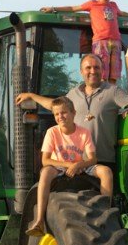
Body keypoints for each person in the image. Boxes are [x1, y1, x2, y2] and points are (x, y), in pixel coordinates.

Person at [16, 54, 128, 170]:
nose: (93, 71)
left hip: (102, 161)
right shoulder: (73, 93)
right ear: (81, 72)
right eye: (88, 68)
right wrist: (32, 96)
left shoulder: (113, 91)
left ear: (102, 71)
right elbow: (54, 106)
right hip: (74, 163)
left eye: (96, 67)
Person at [25, 96, 113, 237]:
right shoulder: (52, 132)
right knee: (46, 173)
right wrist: (68, 165)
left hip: (79, 165)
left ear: (73, 113)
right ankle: (39, 219)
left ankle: (106, 214)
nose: (61, 116)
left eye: (64, 112)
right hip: (58, 166)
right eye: (57, 114)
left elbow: (92, 159)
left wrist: (78, 165)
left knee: (106, 171)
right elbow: (45, 160)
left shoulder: (84, 132)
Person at [40, 0, 128, 83]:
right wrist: (53, 8)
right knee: (102, 70)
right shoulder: (92, 4)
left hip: (116, 41)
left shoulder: (114, 5)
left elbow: (123, 14)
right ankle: (102, 92)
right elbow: (73, 8)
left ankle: (112, 92)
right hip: (101, 41)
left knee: (114, 72)